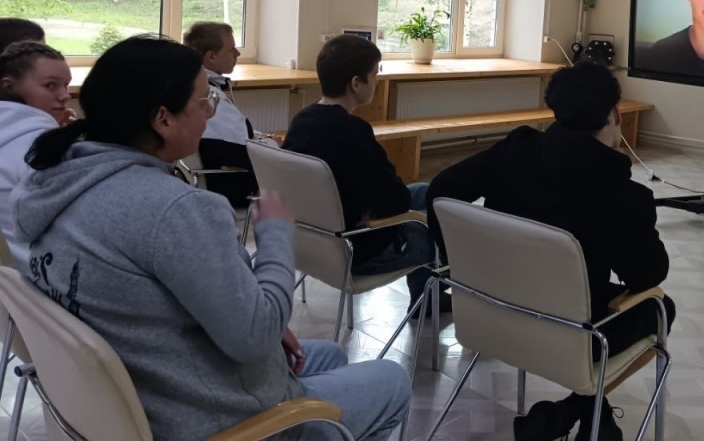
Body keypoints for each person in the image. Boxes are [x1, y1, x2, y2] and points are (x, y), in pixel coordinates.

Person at [11, 35, 410, 441]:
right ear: (163, 119)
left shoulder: (53, 182)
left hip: (145, 387)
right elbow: (255, 338)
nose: (210, 112)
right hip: (206, 417)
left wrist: (259, 319)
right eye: (205, 101)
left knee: (331, 354)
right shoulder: (174, 210)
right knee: (392, 379)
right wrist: (274, 234)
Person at [426, 61, 675, 441]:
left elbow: (439, 191)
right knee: (660, 307)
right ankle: (575, 411)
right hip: (569, 336)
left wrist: (460, 266)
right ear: (615, 114)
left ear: (556, 110)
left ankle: (573, 414)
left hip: (488, 314)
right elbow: (648, 276)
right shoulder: (625, 196)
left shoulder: (515, 150)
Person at [283, 35, 441, 316]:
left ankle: (427, 297)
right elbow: (396, 200)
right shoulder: (353, 131)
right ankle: (430, 299)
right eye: (375, 75)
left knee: (426, 191)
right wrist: (375, 203)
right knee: (443, 227)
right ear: (356, 83)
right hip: (358, 250)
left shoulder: (302, 120)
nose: (377, 82)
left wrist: (371, 202)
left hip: (309, 241)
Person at [182, 22, 278, 208]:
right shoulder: (210, 98)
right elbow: (244, 151)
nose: (238, 54)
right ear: (211, 56)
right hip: (232, 187)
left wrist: (261, 137)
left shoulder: (195, 89)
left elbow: (228, 136)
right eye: (232, 49)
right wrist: (273, 144)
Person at [0, 41, 71, 269]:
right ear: (8, 86)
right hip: (37, 276)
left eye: (66, 85)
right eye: (50, 86)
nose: (65, 96)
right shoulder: (42, 149)